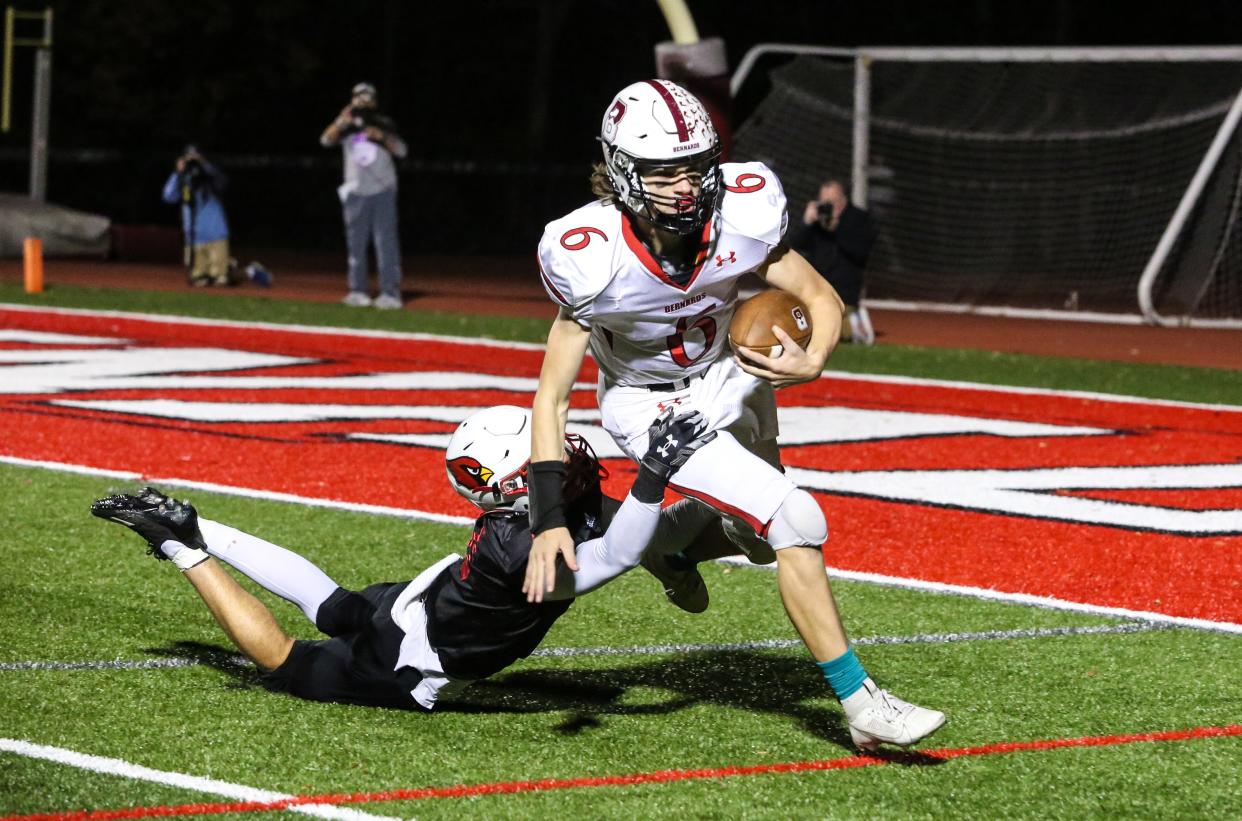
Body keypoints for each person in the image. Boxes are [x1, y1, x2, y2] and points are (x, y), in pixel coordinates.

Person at [525, 79, 945, 751]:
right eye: (664, 171)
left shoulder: (743, 211)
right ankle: (863, 705)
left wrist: (815, 357)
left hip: (730, 373)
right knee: (794, 516)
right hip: (651, 402)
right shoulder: (589, 255)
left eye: (695, 165)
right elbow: (552, 395)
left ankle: (670, 545)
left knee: (754, 538)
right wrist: (546, 516)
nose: (685, 185)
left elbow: (817, 292)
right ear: (621, 170)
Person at [89, 405, 714, 711]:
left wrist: (679, 570)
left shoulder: (525, 516)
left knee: (332, 607)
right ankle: (182, 545)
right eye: (543, 461)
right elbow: (622, 548)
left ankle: (196, 525)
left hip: (425, 599)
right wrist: (654, 472)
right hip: (420, 658)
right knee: (293, 664)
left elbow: (626, 532)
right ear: (516, 485)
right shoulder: (525, 548)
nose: (565, 457)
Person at [319, 82, 408, 310]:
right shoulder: (347, 125)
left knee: (385, 244)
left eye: (368, 98)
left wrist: (381, 136)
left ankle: (390, 293)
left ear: (375, 102)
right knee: (355, 245)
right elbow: (326, 140)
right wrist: (342, 121)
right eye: (359, 98)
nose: (363, 102)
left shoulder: (383, 123)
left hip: (382, 190)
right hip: (355, 191)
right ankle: (358, 291)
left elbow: (402, 150)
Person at [789, 178, 878, 344]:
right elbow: (794, 245)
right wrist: (807, 223)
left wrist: (836, 229)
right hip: (815, 289)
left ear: (843, 199)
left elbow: (861, 252)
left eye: (833, 201)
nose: (829, 206)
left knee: (833, 333)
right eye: (824, 202)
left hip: (843, 293)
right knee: (797, 326)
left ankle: (852, 323)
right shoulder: (816, 223)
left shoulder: (860, 218)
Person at [161, 146, 232, 287]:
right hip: (194, 237)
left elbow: (223, 183)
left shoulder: (210, 177)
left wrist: (204, 165)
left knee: (220, 279)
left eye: (196, 157)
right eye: (189, 157)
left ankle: (230, 268)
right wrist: (177, 173)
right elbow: (168, 197)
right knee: (198, 280)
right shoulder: (183, 179)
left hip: (215, 235)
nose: (192, 162)